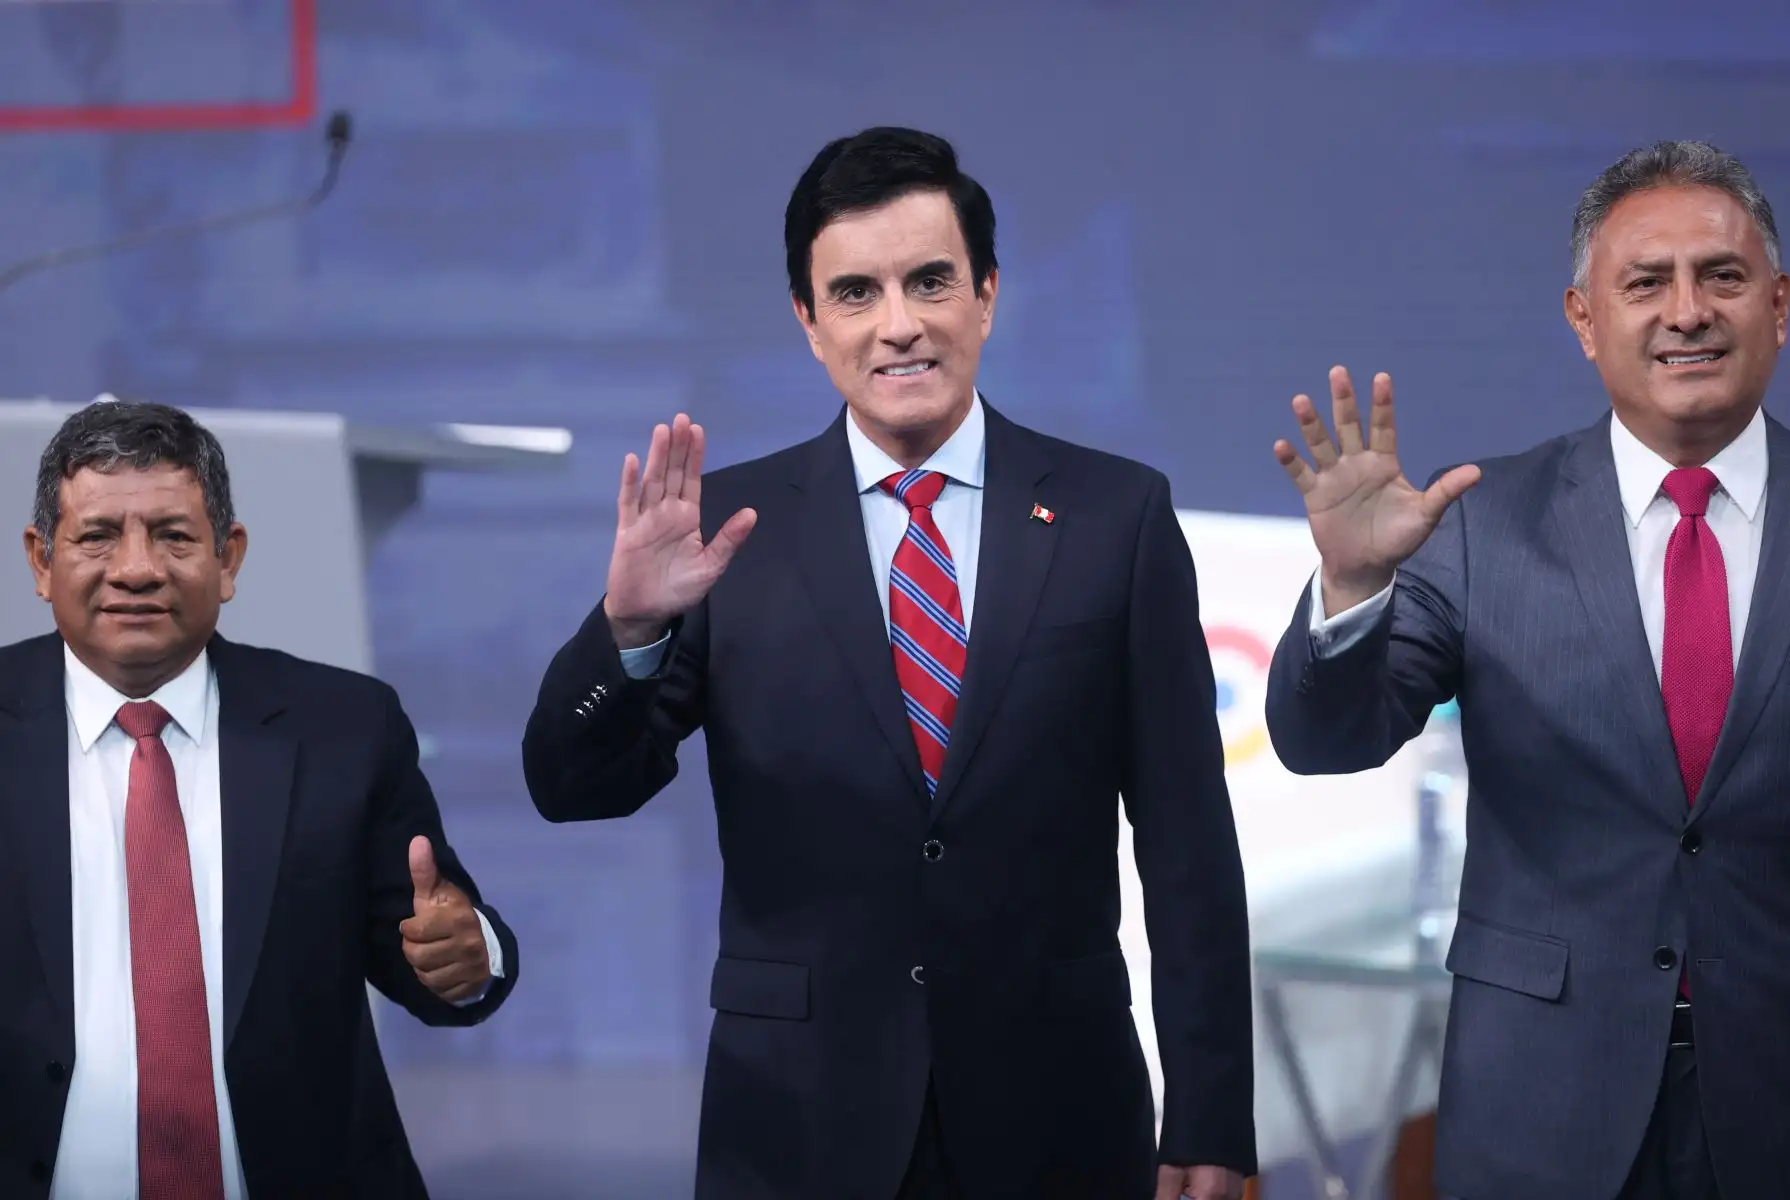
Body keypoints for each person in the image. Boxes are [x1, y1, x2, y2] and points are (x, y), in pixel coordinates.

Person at [522, 127, 1255, 1200]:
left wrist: (1211, 1114)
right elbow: (572, 787)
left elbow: (1188, 842)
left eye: (930, 282)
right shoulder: (726, 531)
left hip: (1059, 1110)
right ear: (809, 325)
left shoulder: (1117, 517)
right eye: (856, 293)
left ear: (988, 295)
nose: (900, 325)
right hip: (798, 1123)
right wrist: (627, 629)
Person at [1264, 140, 1790, 1200]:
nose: (1686, 311)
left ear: (1779, 304)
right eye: (1645, 283)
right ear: (1583, 320)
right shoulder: (1481, 525)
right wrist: (1355, 583)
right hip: (1544, 1109)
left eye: (1721, 277)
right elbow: (1327, 739)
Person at [0, 400, 519, 1198]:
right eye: (98, 535)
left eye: (173, 535)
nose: (136, 568)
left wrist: (467, 954)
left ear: (228, 557)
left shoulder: (344, 727)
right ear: (40, 561)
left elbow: (435, 942)